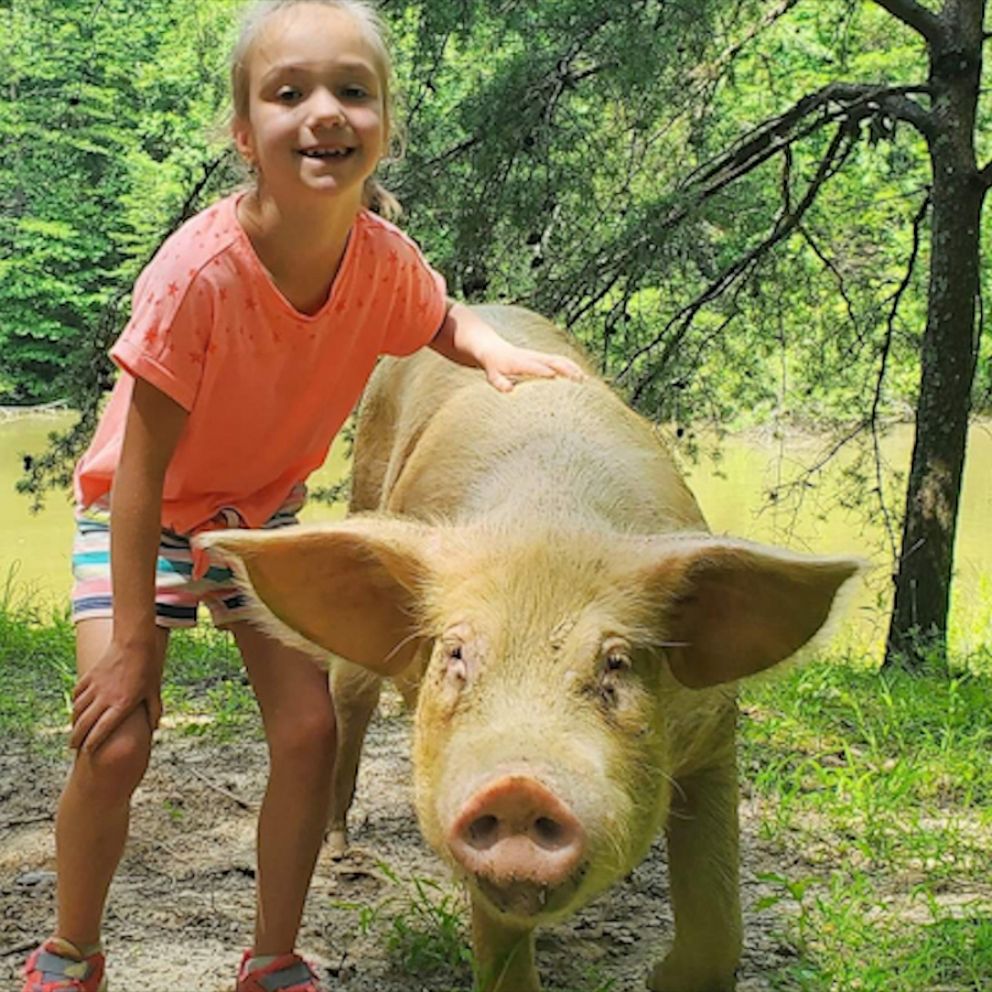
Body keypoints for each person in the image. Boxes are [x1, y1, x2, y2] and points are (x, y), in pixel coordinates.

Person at [20, 2, 584, 991]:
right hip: (138, 515)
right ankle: (71, 949)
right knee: (115, 738)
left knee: (310, 731)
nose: (323, 111)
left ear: (383, 125)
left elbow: (434, 315)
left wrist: (487, 347)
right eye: (289, 94)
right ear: (244, 132)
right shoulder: (196, 276)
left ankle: (272, 957)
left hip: (257, 523)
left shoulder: (378, 259)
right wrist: (139, 646)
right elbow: (141, 463)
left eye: (350, 91)